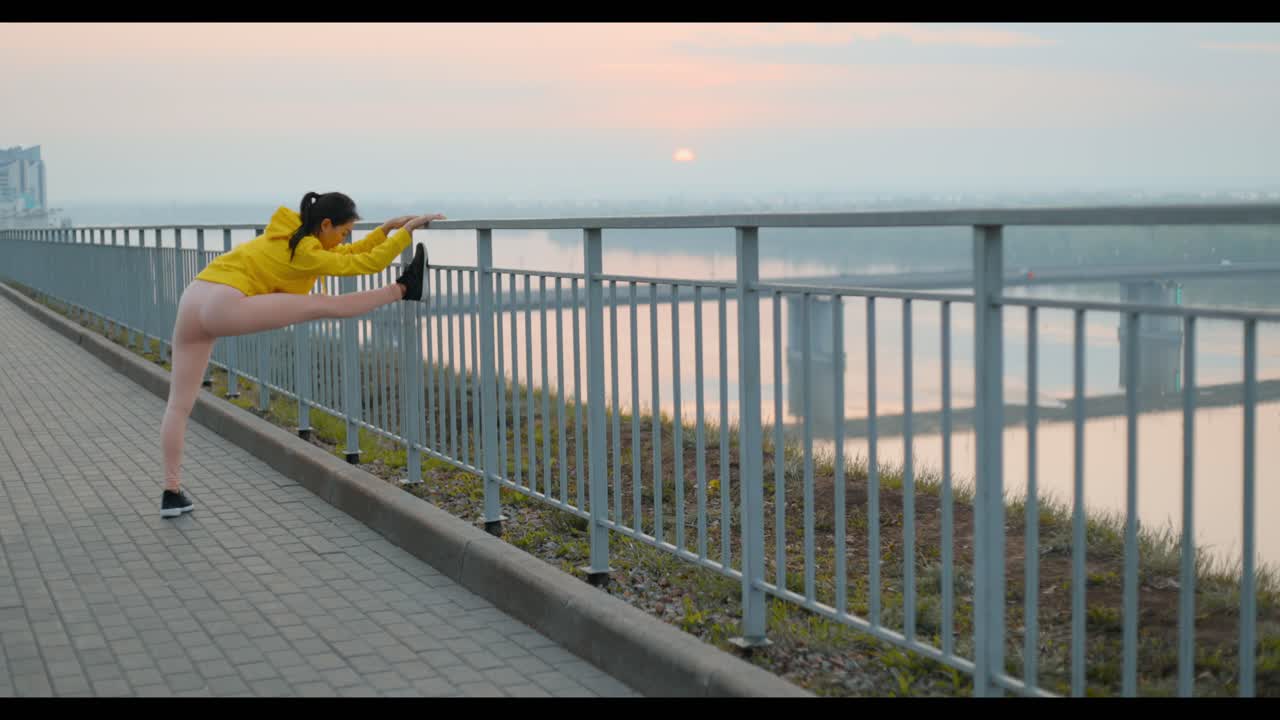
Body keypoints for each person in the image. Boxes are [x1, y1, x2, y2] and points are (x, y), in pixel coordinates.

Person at [158, 191, 444, 518]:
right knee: (321, 304)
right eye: (342, 232)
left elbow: (346, 253)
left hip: (194, 298)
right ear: (325, 224)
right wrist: (406, 234)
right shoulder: (306, 251)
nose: (342, 240)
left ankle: (172, 492)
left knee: (178, 405)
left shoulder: (292, 237)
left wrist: (385, 231)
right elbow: (362, 263)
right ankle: (405, 288)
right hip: (225, 303)